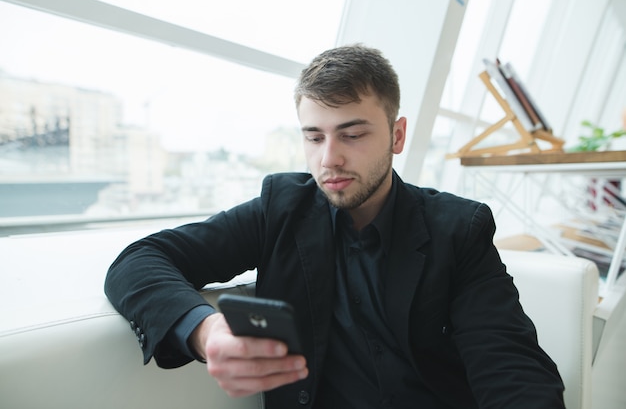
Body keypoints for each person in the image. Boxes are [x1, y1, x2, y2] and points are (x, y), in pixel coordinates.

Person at [105, 44, 565, 408]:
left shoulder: (459, 229)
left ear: (397, 135)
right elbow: (140, 260)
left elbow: (510, 366)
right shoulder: (279, 209)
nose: (329, 159)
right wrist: (206, 332)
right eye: (314, 136)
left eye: (352, 134)